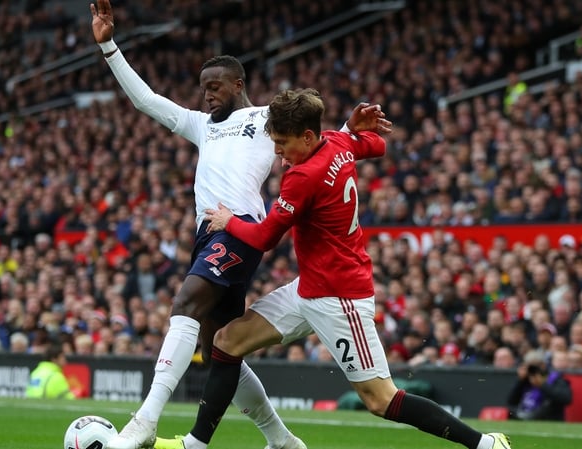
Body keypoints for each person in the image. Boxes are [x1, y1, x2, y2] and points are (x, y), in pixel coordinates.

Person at [89, 2, 391, 448]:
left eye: (215, 87)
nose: (207, 95)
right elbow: (145, 100)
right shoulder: (200, 126)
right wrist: (109, 45)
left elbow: (312, 134)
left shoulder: (267, 121)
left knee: (185, 303)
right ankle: (282, 440)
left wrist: (347, 127)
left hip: (240, 229)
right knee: (221, 350)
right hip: (207, 235)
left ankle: (144, 422)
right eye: (203, 89)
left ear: (238, 85)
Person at [154, 88, 511, 449]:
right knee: (226, 342)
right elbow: (377, 146)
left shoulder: (303, 176)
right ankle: (198, 445)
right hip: (309, 286)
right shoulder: (337, 143)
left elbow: (263, 237)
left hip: (339, 297)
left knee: (381, 400)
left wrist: (229, 220)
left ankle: (484, 444)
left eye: (282, 142)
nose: (277, 151)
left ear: (307, 137)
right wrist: (357, 130)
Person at [507, 351, 572, 421]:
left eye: (535, 366)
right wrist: (520, 381)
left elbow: (566, 398)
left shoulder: (555, 378)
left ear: (543, 365)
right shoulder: (526, 381)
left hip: (549, 419)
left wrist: (542, 385)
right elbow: (511, 401)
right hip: (525, 415)